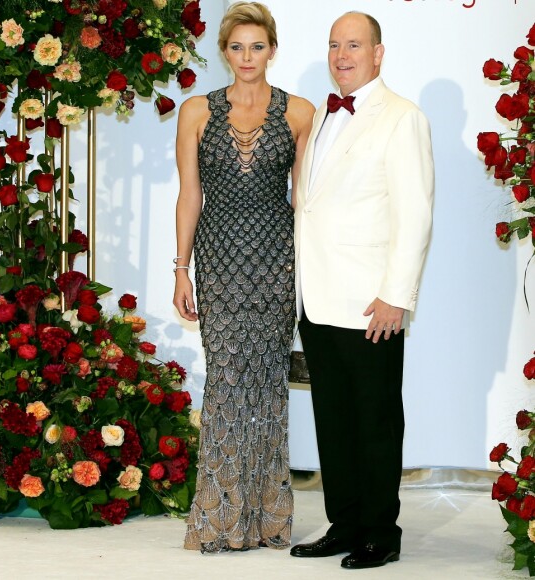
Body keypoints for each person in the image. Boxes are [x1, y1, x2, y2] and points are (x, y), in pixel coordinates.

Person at [290, 11, 434, 569]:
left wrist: (397, 295)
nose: (341, 55)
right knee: (333, 419)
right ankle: (344, 523)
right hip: (318, 299)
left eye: (353, 45)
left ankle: (381, 533)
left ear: (378, 53)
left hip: (372, 303)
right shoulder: (325, 116)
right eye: (333, 46)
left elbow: (414, 213)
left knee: (375, 422)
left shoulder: (402, 117)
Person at [173, 1, 315, 553]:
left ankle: (267, 518)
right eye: (237, 47)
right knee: (228, 379)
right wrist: (180, 269)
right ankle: (220, 516)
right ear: (225, 52)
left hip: (275, 262)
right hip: (219, 260)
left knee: (268, 385)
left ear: (272, 50)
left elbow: (305, 202)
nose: (247, 56)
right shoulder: (196, 111)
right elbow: (190, 195)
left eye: (257, 46)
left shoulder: (301, 113)